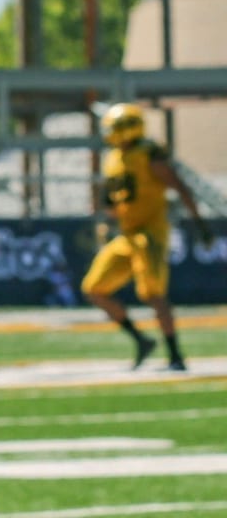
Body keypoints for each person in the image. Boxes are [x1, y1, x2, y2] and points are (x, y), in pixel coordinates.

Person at [81, 102, 213, 372]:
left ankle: (175, 355)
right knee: (94, 288)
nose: (109, 132)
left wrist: (199, 223)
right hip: (126, 235)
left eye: (114, 127)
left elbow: (179, 185)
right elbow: (111, 199)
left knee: (153, 294)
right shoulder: (113, 157)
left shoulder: (149, 153)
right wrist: (106, 216)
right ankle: (141, 340)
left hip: (149, 234)